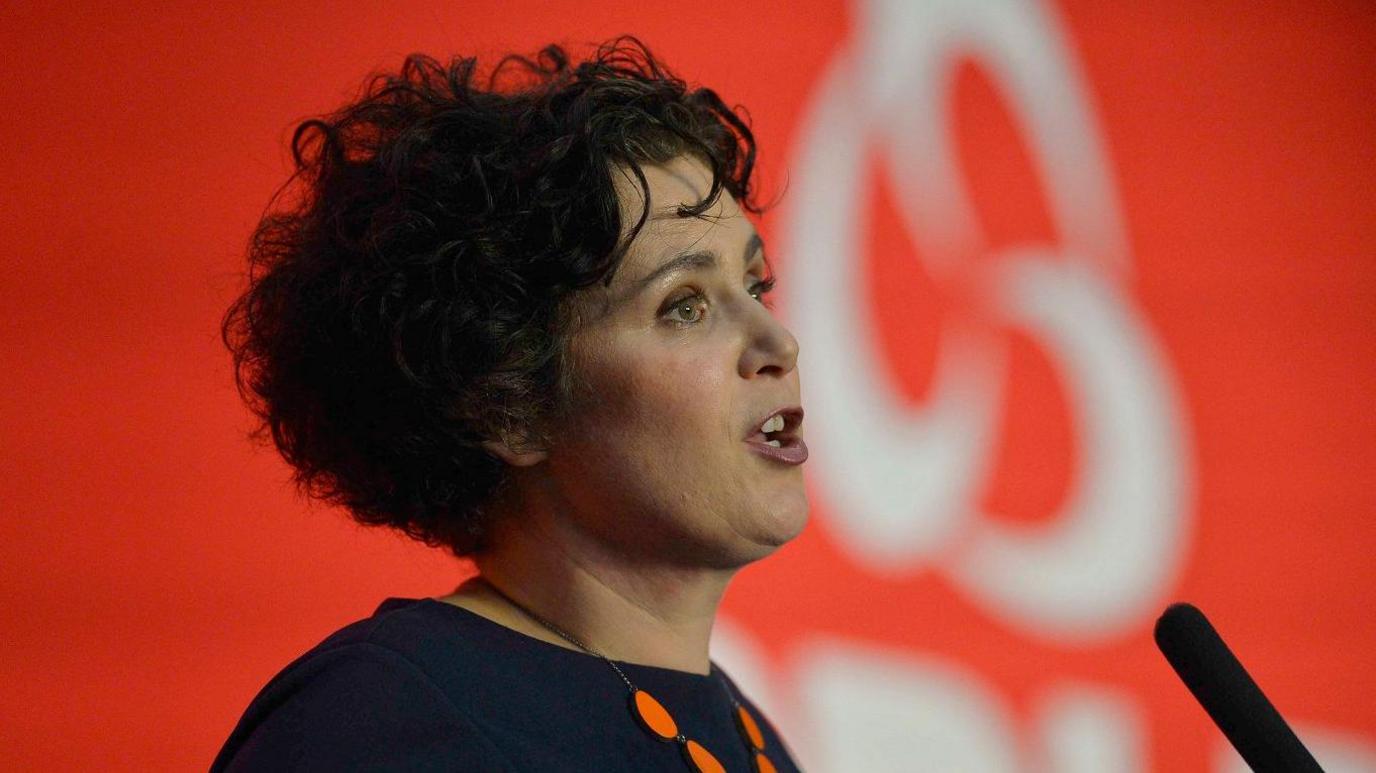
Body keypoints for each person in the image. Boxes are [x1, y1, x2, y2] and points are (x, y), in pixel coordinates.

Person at [212, 36, 807, 772]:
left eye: (754, 287)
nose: (778, 341)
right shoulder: (376, 726)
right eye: (683, 305)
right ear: (507, 406)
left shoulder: (749, 734)